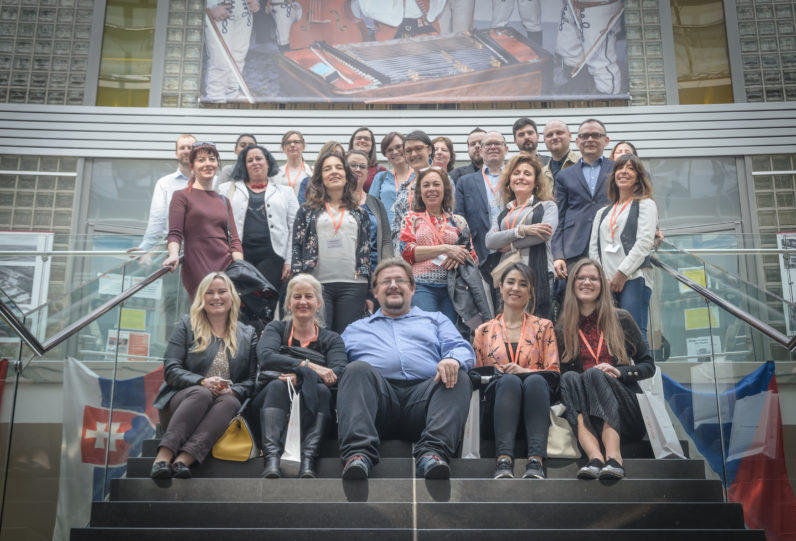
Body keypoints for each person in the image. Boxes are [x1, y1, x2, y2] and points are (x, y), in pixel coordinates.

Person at [337, 258, 475, 480]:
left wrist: (452, 360)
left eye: (400, 280)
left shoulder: (436, 320)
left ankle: (432, 454)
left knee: (457, 374)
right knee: (356, 370)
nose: (393, 285)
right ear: (375, 291)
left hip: (425, 402)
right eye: (386, 281)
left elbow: (462, 348)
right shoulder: (355, 330)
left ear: (412, 288)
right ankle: (358, 455)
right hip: (379, 404)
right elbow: (335, 364)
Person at [150, 271, 257, 479]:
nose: (216, 297)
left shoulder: (248, 334)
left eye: (222, 291)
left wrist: (232, 391)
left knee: (231, 402)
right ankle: (162, 459)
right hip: (182, 405)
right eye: (209, 292)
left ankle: (183, 461)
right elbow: (171, 369)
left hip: (220, 411)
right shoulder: (187, 325)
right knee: (202, 393)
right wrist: (202, 381)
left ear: (231, 296)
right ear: (202, 297)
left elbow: (253, 380)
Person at [556, 259, 654, 480]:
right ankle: (595, 459)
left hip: (627, 413)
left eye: (593, 278)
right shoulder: (562, 328)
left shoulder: (621, 319)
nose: (587, 282)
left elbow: (648, 366)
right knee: (569, 377)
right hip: (590, 414)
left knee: (594, 373)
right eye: (581, 278)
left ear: (602, 284)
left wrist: (620, 372)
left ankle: (614, 459)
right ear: (572, 284)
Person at [252, 274, 347, 479]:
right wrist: (308, 366)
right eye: (297, 297)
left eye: (308, 296)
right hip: (270, 398)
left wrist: (302, 378)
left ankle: (308, 460)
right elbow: (266, 357)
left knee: (321, 390)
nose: (303, 301)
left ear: (318, 303)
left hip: (316, 401)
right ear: (288, 303)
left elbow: (337, 372)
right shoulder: (276, 328)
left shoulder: (332, 339)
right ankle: (272, 459)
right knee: (278, 386)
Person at [473, 263, 559, 479]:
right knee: (509, 382)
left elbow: (554, 372)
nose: (515, 288)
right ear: (500, 287)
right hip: (497, 412)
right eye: (510, 282)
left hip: (536, 408)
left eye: (523, 284)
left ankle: (536, 461)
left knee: (535, 380)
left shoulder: (544, 326)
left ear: (530, 291)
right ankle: (503, 460)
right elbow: (476, 374)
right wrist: (500, 373)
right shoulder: (483, 331)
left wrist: (524, 371)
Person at [291, 152, 370, 334]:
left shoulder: (360, 212)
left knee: (347, 338)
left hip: (354, 285)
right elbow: (296, 247)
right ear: (321, 177)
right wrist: (297, 282)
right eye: (327, 169)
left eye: (338, 167)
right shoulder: (306, 211)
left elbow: (366, 251)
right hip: (316, 285)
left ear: (346, 175)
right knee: (319, 338)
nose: (334, 172)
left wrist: (370, 293)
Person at [217, 144, 299, 313]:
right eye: (250, 160)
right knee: (237, 304)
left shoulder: (286, 192)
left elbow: (295, 228)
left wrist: (289, 261)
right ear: (244, 165)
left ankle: (261, 330)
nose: (255, 162)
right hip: (238, 256)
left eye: (259, 158)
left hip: (272, 257)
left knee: (264, 304)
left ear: (268, 162)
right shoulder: (225, 189)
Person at [589, 154, 657, 344]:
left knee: (634, 334)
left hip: (634, 277)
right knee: (609, 335)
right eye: (620, 168)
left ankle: (642, 366)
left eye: (630, 168)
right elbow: (594, 248)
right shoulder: (602, 212)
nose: (624, 172)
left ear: (639, 176)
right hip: (605, 282)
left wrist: (622, 273)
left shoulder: (645, 204)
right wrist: (601, 277)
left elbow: (644, 242)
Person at [163, 142, 243, 300]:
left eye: (212, 159)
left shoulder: (224, 200)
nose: (207, 164)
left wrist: (240, 268)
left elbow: (234, 240)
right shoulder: (181, 196)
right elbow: (175, 233)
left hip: (226, 267)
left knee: (224, 310)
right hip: (197, 265)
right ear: (192, 166)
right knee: (202, 308)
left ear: (217, 164)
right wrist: (173, 255)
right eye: (201, 160)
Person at [399, 167, 476, 324]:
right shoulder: (411, 218)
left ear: (445, 189)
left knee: (449, 331)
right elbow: (406, 252)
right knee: (426, 329)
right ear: (420, 192)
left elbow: (472, 257)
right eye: (426, 185)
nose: (431, 189)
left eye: (436, 184)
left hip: (453, 288)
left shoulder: (458, 221)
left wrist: (457, 256)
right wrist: (445, 249)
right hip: (421, 285)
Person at [485, 153, 557, 320]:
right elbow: (490, 241)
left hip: (539, 274)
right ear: (509, 181)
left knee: (539, 324)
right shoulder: (502, 214)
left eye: (527, 173)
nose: (521, 177)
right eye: (516, 173)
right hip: (508, 277)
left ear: (535, 182)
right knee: (509, 324)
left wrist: (511, 245)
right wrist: (522, 230)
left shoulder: (547, 206)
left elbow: (543, 234)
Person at [551, 119, 612, 290]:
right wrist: (558, 255)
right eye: (584, 136)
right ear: (577, 142)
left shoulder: (617, 170)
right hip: (574, 248)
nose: (590, 139)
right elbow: (558, 218)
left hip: (610, 246)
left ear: (606, 140)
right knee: (574, 298)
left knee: (610, 299)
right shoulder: (564, 176)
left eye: (595, 135)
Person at [455, 130, 509, 284]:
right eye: (488, 144)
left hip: (512, 250)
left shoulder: (516, 177)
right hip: (480, 253)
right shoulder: (465, 182)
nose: (492, 147)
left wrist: (513, 243)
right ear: (481, 151)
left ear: (506, 149)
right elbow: (459, 219)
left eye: (497, 143)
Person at [554, 0, 623, 95]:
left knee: (599, 61)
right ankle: (577, 92)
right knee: (568, 51)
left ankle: (607, 98)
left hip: (598, 6)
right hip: (571, 5)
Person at [204, 0, 260, 101]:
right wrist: (211, 5)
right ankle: (215, 97)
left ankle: (231, 92)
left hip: (244, 8)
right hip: (220, 6)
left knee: (238, 57)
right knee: (220, 60)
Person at [347, 150, 393, 274]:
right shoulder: (336, 201)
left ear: (367, 172)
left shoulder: (376, 203)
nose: (358, 169)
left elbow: (386, 241)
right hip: (344, 270)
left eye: (362, 166)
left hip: (374, 270)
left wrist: (387, 270)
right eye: (353, 165)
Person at [390, 130, 435, 241]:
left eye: (418, 148)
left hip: (433, 246)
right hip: (404, 248)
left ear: (429, 149)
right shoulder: (404, 187)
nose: (413, 154)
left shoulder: (442, 181)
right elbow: (396, 226)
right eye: (408, 151)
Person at [369, 132, 412, 224]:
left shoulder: (418, 175)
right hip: (387, 231)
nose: (395, 152)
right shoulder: (381, 177)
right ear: (385, 155)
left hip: (413, 229)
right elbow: (371, 207)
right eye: (389, 150)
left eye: (398, 147)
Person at [297, 141, 346, 205]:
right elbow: (302, 206)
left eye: (338, 154)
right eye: (330, 153)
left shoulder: (348, 184)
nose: (334, 157)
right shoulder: (308, 183)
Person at [541, 119, 580, 190]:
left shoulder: (583, 163)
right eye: (549, 135)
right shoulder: (541, 175)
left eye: (559, 133)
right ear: (544, 141)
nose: (554, 137)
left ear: (570, 136)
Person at [273, 130, 313, 198]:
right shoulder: (276, 174)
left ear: (303, 147)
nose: (292, 145)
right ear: (283, 148)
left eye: (296, 142)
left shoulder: (312, 172)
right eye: (288, 143)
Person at [348, 127, 386, 192]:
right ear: (352, 142)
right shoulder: (342, 166)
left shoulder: (380, 171)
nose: (362, 140)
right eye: (359, 138)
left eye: (366, 139)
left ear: (372, 144)